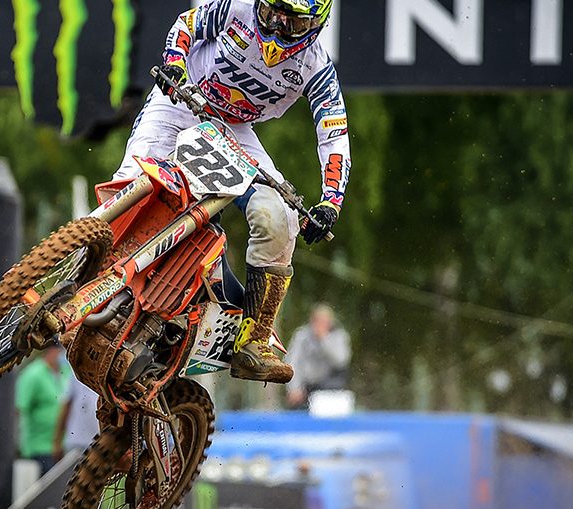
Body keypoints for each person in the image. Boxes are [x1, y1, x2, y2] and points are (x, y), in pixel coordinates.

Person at [113, 0, 350, 384]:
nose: (277, 29)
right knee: (129, 188)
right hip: (181, 101)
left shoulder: (317, 68)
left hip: (234, 131)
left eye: (292, 23)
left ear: (315, 26)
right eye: (271, 14)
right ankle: (84, 259)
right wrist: (175, 61)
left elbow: (334, 134)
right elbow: (188, 22)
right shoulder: (237, 8)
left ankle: (253, 340)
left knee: (280, 218)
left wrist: (330, 201)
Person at [15, 343, 71, 476]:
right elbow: (19, 408)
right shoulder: (33, 374)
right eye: (61, 350)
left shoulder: (66, 372)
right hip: (39, 448)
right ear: (51, 350)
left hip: (61, 446)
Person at [285, 303, 351, 408]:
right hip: (306, 387)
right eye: (318, 321)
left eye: (324, 321)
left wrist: (324, 339)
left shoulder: (339, 336)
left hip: (330, 388)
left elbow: (341, 361)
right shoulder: (302, 336)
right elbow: (292, 362)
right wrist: (294, 388)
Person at [53, 373, 100, 461]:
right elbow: (66, 407)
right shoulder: (76, 375)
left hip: (100, 445)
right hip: (76, 443)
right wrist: (57, 442)